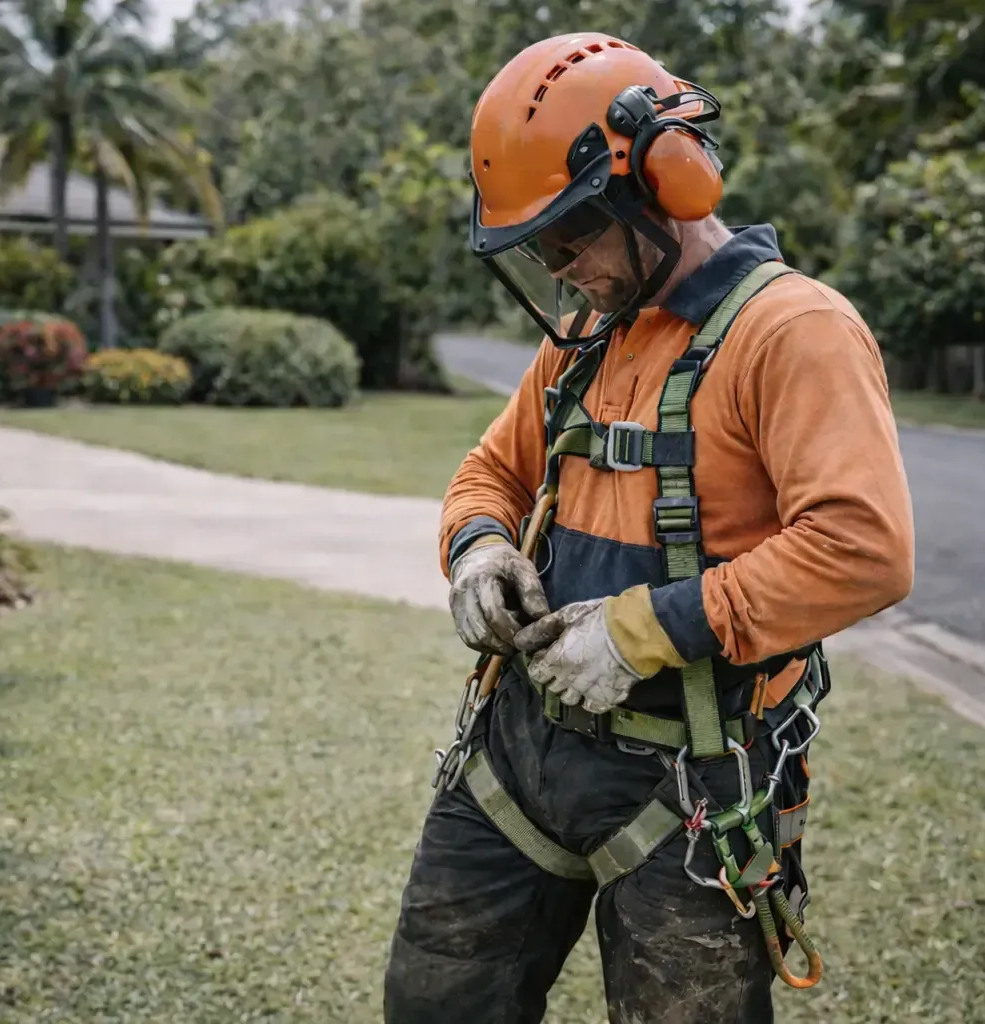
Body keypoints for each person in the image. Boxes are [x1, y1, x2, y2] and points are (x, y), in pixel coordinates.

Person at [383, 31, 916, 1024]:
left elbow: (863, 547)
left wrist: (641, 631)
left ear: (662, 183)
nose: (558, 270)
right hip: (519, 750)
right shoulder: (589, 338)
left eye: (569, 237)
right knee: (434, 1002)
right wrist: (480, 546)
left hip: (695, 780)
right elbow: (493, 471)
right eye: (536, 249)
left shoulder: (791, 332)